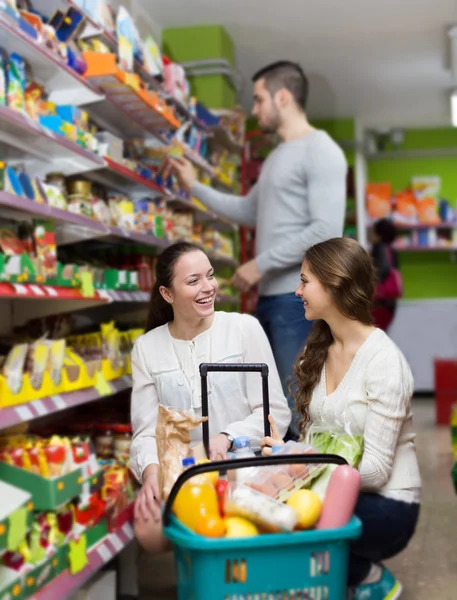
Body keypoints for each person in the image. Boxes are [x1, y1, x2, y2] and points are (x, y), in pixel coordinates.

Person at [170, 61, 347, 430]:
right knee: (274, 404)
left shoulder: (321, 150)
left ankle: (315, 482)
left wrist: (259, 264)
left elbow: (325, 230)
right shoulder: (278, 158)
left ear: (283, 97)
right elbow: (247, 210)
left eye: (259, 99)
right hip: (271, 301)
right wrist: (193, 186)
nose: (254, 111)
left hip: (299, 301)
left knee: (302, 404)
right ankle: (285, 481)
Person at [261, 237, 421, 600]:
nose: (297, 290)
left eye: (304, 281)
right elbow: (319, 444)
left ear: (334, 285)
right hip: (334, 488)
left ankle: (367, 576)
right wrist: (287, 454)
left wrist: (301, 467)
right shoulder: (316, 352)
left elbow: (378, 469)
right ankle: (329, 578)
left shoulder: (383, 361)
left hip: (388, 504)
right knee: (264, 506)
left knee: (294, 517)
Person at [130, 241, 291, 553]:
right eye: (193, 281)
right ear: (167, 294)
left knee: (238, 529)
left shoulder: (244, 328)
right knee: (148, 530)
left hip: (242, 465)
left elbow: (275, 413)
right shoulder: (147, 348)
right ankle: (197, 565)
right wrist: (151, 474)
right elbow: (146, 430)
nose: (208, 287)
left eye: (210, 276)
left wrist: (227, 436)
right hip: (186, 473)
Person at [371, 218, 401, 332]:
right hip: (389, 302)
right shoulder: (391, 249)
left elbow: (383, 268)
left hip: (379, 301)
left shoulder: (379, 247)